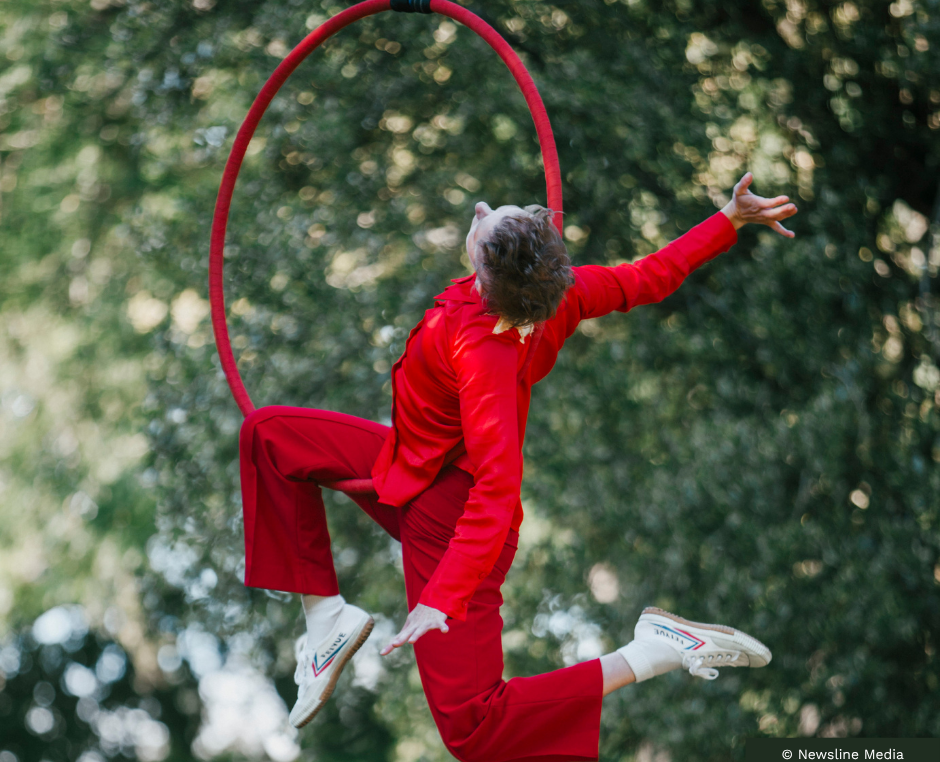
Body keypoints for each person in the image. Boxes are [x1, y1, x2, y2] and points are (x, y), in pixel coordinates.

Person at [238, 171, 798, 760]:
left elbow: (497, 490)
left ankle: (649, 652)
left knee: (472, 730)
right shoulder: (562, 292)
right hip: (412, 464)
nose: (477, 206)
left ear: (483, 274)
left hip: (452, 522)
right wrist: (729, 218)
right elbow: (648, 276)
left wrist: (439, 599)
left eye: (484, 220)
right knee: (271, 436)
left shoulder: (482, 353)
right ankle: (326, 620)